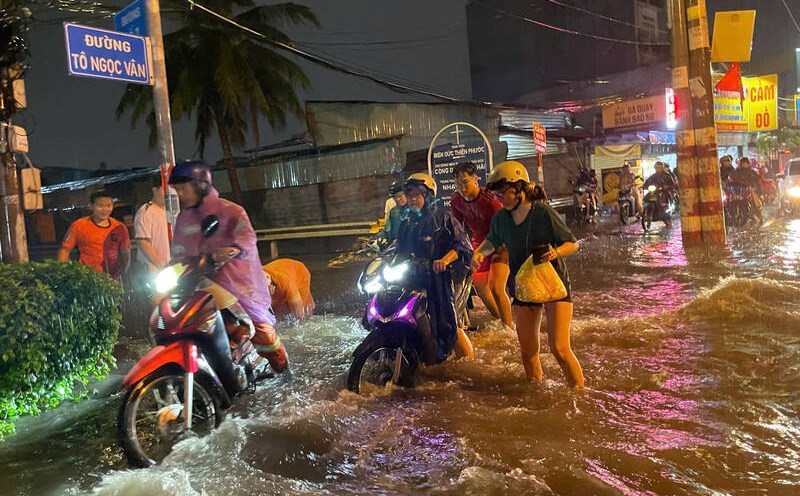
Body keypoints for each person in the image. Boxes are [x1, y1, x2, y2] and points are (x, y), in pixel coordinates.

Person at [471, 160, 584, 388]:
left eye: (503, 192)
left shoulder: (542, 212)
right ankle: (537, 391)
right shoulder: (502, 218)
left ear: (519, 188)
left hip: (554, 285)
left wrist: (555, 252)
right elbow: (492, 241)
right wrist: (479, 254)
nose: (500, 198)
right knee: (528, 351)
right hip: (523, 286)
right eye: (497, 193)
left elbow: (572, 244)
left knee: (560, 349)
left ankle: (580, 394)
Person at [168, 161, 288, 373]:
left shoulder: (231, 211)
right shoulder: (184, 218)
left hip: (238, 283)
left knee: (263, 337)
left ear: (201, 185)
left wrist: (231, 250)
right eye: (177, 189)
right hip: (200, 281)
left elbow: (247, 238)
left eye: (183, 188)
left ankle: (285, 371)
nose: (180, 194)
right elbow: (178, 250)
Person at [396, 172, 475, 363]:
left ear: (428, 195)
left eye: (417, 195)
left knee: (448, 323)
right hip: (415, 276)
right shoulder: (406, 223)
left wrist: (445, 260)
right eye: (410, 195)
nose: (413, 199)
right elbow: (400, 250)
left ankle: (469, 364)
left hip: (442, 278)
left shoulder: (444, 218)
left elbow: (463, 246)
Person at [450, 161, 513, 329]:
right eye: (457, 185)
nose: (462, 188)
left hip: (500, 244)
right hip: (478, 245)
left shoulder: (491, 200)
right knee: (479, 285)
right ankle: (501, 320)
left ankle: (509, 327)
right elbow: (457, 228)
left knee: (496, 286)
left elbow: (501, 230)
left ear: (475, 179)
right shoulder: (456, 201)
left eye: (465, 183)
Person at [57, 189, 131, 281]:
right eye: (100, 205)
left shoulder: (119, 227)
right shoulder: (79, 225)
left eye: (108, 205)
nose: (105, 209)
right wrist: (64, 273)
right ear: (91, 207)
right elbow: (64, 250)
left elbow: (126, 253)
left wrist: (122, 274)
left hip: (112, 280)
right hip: (87, 279)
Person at [133, 175, 170, 273]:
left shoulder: (172, 212)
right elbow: (142, 242)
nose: (169, 193)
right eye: (165, 189)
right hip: (154, 272)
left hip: (172, 271)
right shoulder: (146, 211)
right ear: (155, 189)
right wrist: (162, 266)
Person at [729, 157, 763, 223]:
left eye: (746, 163)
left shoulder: (752, 172)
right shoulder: (736, 171)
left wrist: (753, 186)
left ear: (748, 163)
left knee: (756, 203)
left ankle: (759, 216)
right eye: (743, 163)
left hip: (749, 189)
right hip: (738, 190)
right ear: (741, 164)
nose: (744, 164)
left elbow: (756, 180)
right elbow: (731, 179)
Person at [643, 161, 677, 227]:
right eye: (656, 168)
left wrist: (666, 186)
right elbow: (647, 182)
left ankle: (668, 218)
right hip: (654, 192)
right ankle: (647, 214)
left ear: (662, 168)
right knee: (646, 198)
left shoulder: (667, 175)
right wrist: (644, 185)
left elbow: (672, 184)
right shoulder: (653, 176)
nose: (657, 169)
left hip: (664, 192)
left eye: (659, 168)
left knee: (665, 203)